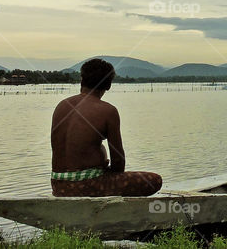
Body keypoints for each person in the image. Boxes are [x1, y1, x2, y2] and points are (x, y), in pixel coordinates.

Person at [50, 58, 162, 197]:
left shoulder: (62, 105)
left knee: (100, 149)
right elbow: (118, 162)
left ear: (82, 80)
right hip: (88, 186)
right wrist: (104, 167)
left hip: (58, 185)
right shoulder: (108, 111)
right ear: (108, 85)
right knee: (154, 180)